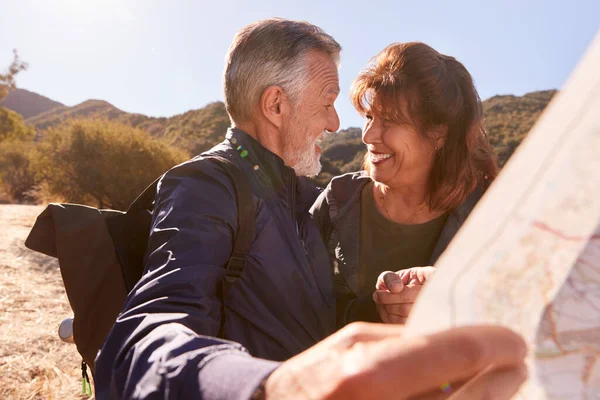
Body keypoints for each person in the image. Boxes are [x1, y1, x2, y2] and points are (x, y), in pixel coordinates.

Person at [95, 19, 525, 399]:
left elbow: (311, 322)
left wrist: (386, 312)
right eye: (327, 102)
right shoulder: (207, 185)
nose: (340, 125)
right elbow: (143, 336)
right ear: (276, 105)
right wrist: (270, 386)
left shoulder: (304, 202)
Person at [311, 42, 499, 327]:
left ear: (439, 133)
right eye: (370, 117)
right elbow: (293, 309)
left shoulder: (491, 210)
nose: (369, 135)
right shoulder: (338, 199)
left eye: (390, 121)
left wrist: (450, 301)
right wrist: (376, 312)